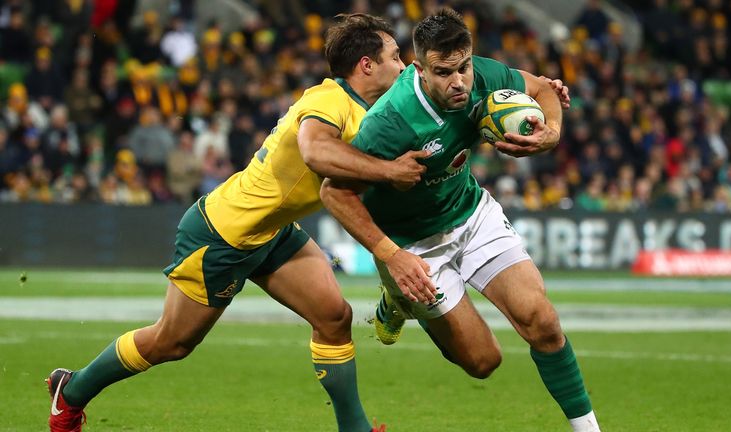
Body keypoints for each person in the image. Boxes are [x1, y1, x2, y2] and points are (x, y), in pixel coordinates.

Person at [46, 14, 427, 432]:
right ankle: (73, 389)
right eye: (395, 56)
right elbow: (317, 152)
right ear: (367, 65)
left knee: (334, 317)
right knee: (172, 342)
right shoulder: (328, 101)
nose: (406, 65)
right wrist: (388, 173)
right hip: (223, 234)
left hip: (272, 232)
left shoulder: (368, 109)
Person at [320, 8, 600, 432]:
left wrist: (551, 134)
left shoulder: (482, 77)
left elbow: (542, 89)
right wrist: (390, 255)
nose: (459, 82)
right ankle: (399, 297)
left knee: (542, 322)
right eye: (444, 72)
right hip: (413, 245)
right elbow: (333, 191)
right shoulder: (390, 122)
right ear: (419, 69)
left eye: (464, 67)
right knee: (483, 362)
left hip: (471, 214)